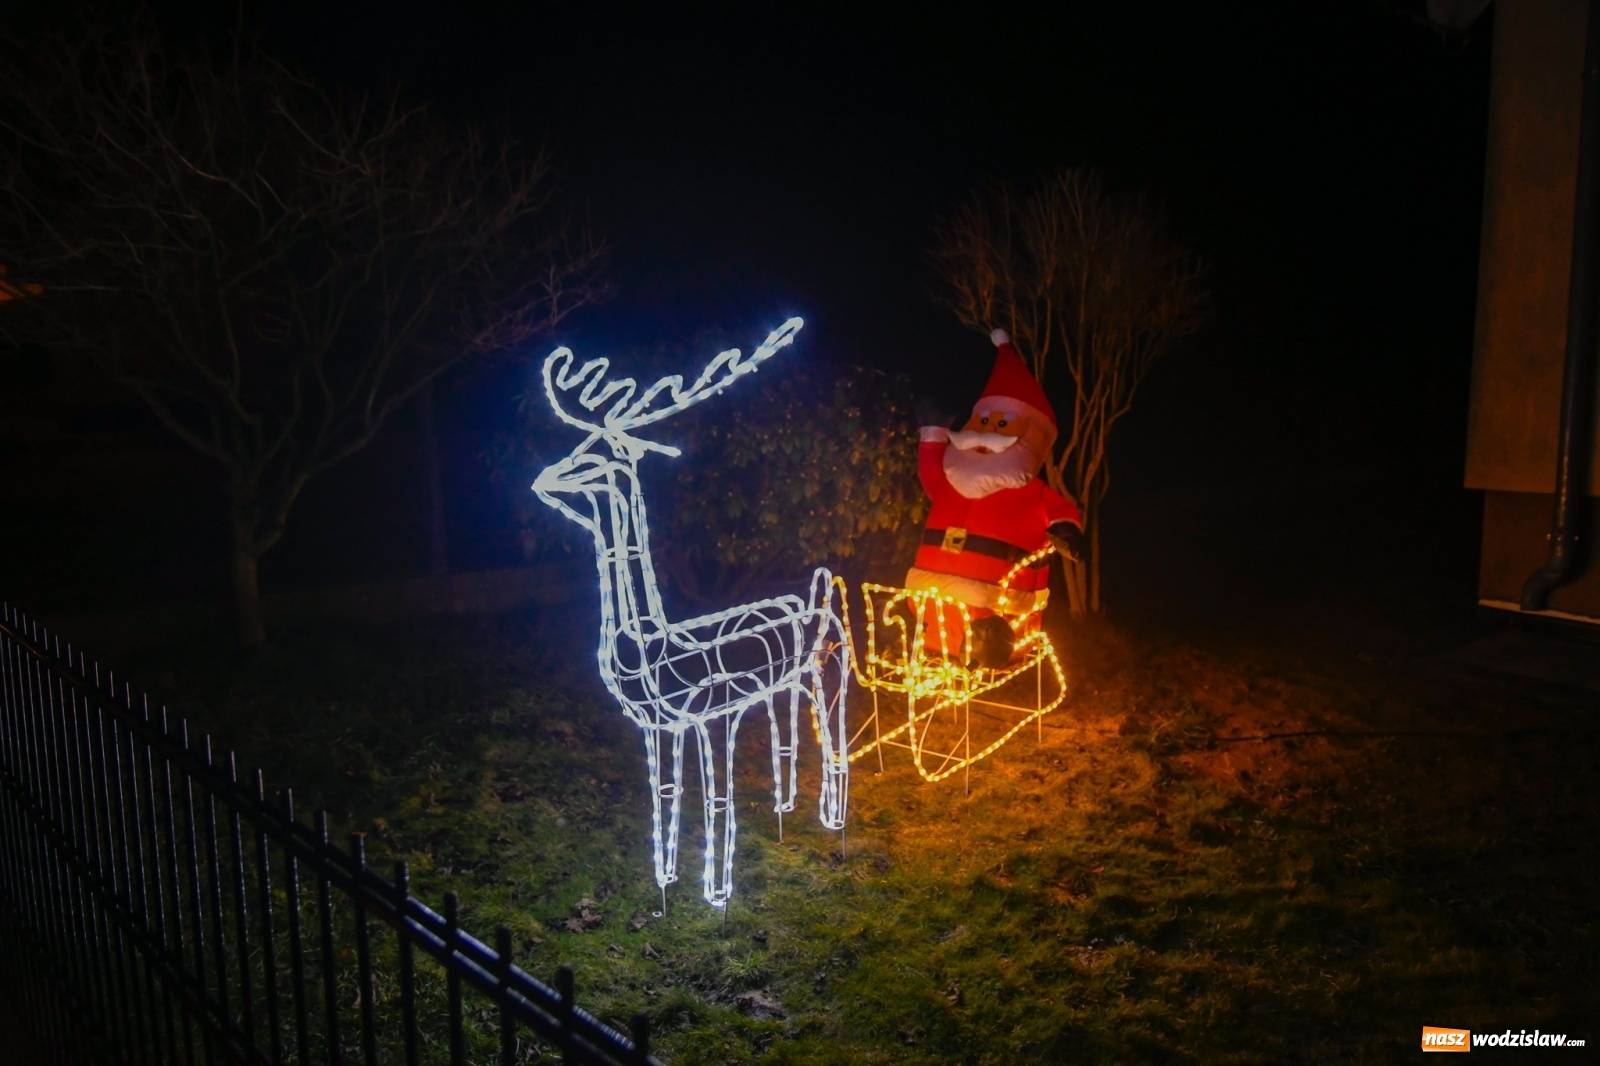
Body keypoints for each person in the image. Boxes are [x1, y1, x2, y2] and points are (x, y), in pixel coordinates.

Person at [908, 329, 1084, 667]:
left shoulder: (1031, 492)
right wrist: (933, 432)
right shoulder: (952, 480)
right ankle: (935, 653)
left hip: (996, 596)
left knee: (986, 621)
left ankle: (995, 647)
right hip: (933, 586)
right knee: (935, 614)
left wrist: (1066, 530)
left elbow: (1060, 511)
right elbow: (931, 473)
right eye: (984, 421)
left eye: (1001, 423)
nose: (987, 431)